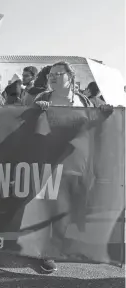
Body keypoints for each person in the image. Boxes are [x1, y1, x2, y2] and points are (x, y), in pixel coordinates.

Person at [34, 61, 113, 274]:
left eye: (58, 74)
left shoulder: (84, 100)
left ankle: (58, 244)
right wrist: (37, 111)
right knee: (51, 206)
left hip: (77, 161)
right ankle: (46, 252)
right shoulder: (43, 98)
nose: (52, 77)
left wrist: (104, 112)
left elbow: (94, 125)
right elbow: (28, 124)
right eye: (50, 74)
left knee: (69, 206)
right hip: (50, 160)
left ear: (71, 77)